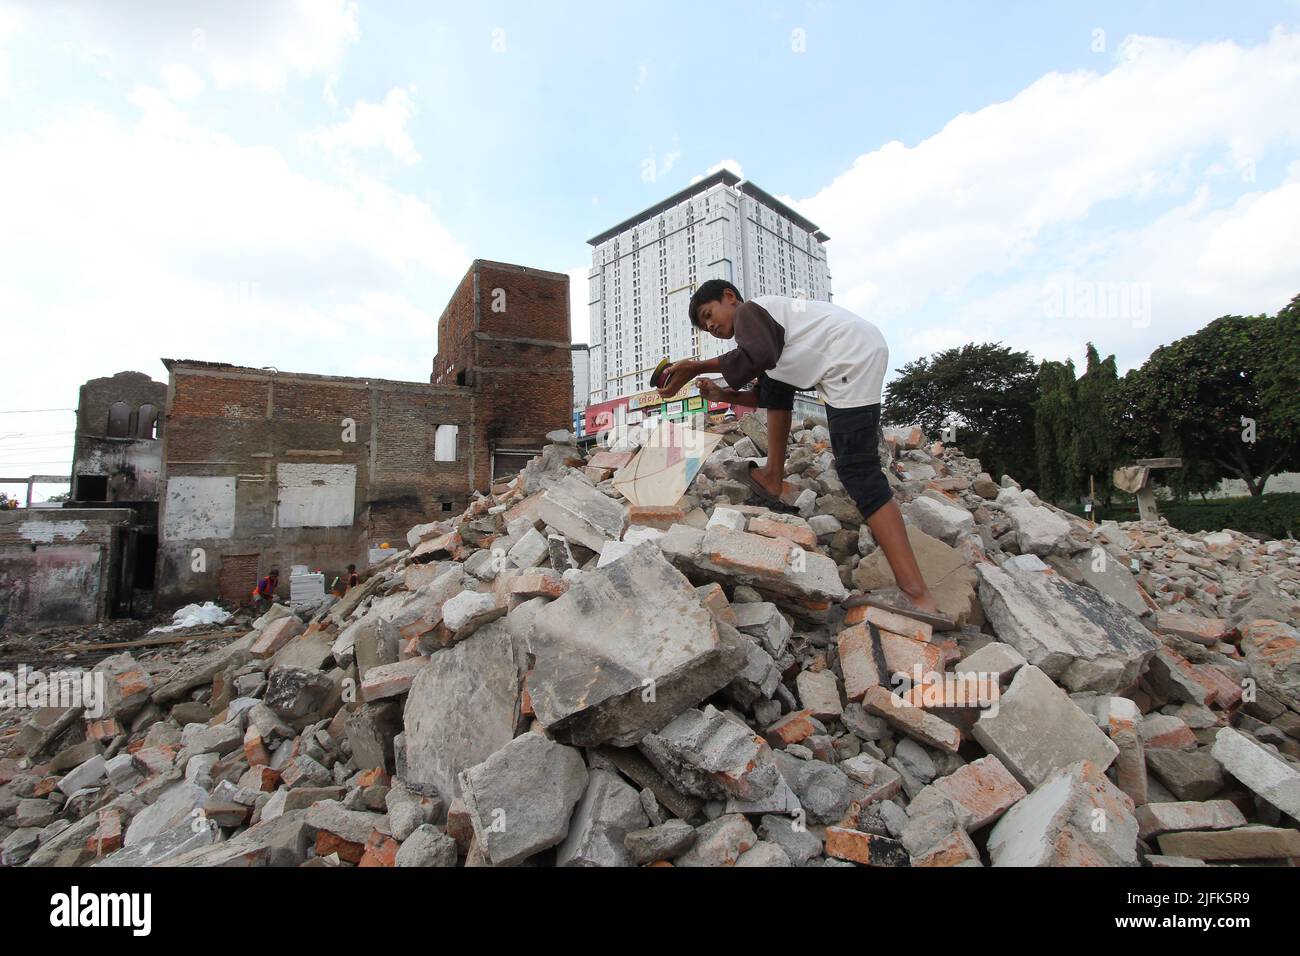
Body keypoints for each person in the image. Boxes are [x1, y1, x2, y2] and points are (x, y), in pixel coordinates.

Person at [656, 280, 950, 627]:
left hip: (848, 358)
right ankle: (772, 475)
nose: (712, 326)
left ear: (730, 298)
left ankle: (916, 594)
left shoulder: (753, 311)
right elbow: (769, 394)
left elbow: (759, 355)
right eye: (706, 327)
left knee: (858, 471)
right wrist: (722, 393)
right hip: (856, 353)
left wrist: (695, 366)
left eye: (710, 315)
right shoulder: (769, 336)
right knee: (781, 390)